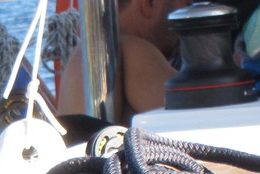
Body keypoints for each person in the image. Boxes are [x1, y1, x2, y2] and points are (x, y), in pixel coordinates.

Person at [58, 0, 190, 126]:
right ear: (149, 3)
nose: (189, 17)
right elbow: (195, 115)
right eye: (187, 4)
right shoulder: (131, 51)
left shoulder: (84, 54)